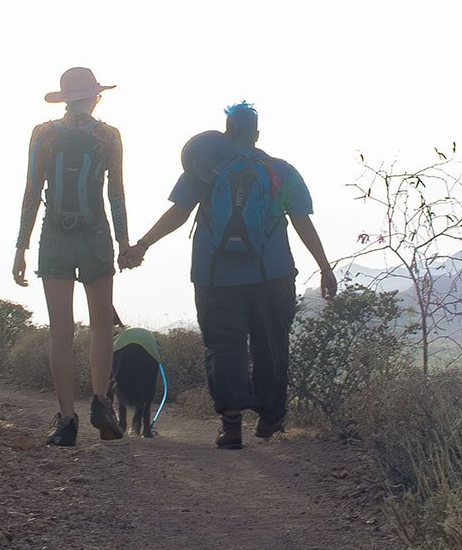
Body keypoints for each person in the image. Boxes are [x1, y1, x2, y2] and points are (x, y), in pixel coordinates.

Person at [123, 102, 336, 449]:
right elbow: (301, 221)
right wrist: (325, 268)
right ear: (256, 133)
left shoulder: (204, 168)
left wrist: (142, 245)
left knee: (224, 347)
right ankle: (268, 420)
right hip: (273, 274)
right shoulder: (280, 171)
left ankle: (232, 425)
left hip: (214, 276)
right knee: (271, 346)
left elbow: (178, 212)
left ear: (225, 130)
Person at [12, 66, 130, 446]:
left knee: (60, 332)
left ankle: (66, 422)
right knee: (100, 326)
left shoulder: (43, 134)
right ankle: (100, 403)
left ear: (65, 99)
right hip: (96, 233)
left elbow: (32, 191)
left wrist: (21, 247)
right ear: (95, 97)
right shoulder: (108, 136)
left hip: (55, 235)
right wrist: (125, 243)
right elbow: (117, 194)